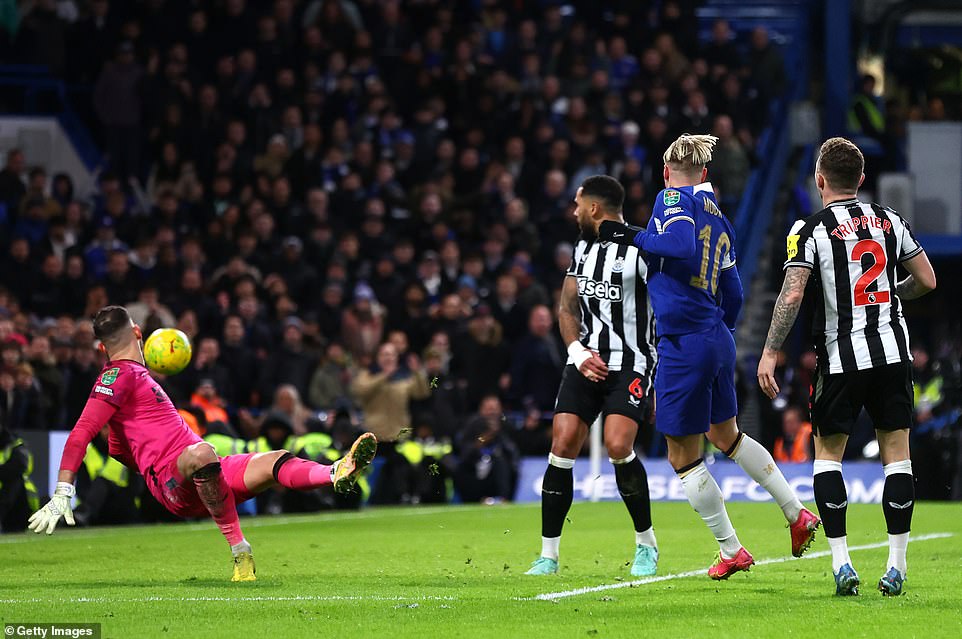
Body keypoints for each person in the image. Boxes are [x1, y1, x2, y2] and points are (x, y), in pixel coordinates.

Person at [601, 134, 819, 580]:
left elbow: (678, 246)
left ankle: (731, 549)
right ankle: (797, 514)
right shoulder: (720, 219)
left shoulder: (668, 201)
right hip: (717, 336)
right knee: (728, 437)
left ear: (667, 173)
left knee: (682, 454)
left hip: (684, 343)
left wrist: (631, 235)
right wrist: (722, 329)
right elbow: (734, 291)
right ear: (704, 175)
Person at [27, 306, 377, 582]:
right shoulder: (116, 375)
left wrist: (139, 456)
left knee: (276, 460)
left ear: (102, 346)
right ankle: (241, 553)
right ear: (138, 332)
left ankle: (335, 472)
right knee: (202, 452)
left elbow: (117, 448)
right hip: (177, 476)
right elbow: (82, 431)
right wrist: (62, 491)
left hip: (204, 471)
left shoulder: (134, 380)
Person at [757, 137, 937, 596]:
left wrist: (770, 349)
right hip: (893, 354)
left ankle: (841, 564)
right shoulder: (891, 220)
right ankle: (896, 566)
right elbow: (927, 280)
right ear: (861, 179)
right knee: (897, 457)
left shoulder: (810, 228)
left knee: (827, 456)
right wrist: (892, 293)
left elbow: (794, 293)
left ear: (820, 180)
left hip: (841, 358)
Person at [525, 175, 659, 578]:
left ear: (595, 209)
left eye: (578, 204)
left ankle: (646, 545)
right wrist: (576, 351)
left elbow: (669, 306)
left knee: (618, 445)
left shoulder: (642, 247)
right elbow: (567, 307)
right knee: (562, 442)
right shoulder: (582, 248)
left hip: (632, 361)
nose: (574, 211)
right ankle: (548, 555)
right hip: (586, 361)